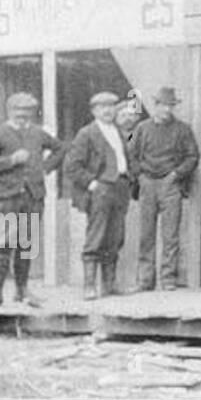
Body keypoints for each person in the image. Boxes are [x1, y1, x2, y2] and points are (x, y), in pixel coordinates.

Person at [0, 92, 65, 308]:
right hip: (5, 198)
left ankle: (22, 291)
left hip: (33, 197)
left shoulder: (38, 133)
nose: (23, 116)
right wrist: (11, 160)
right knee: (3, 246)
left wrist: (45, 168)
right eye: (18, 112)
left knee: (25, 246)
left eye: (27, 112)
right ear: (10, 111)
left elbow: (61, 148)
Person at [64, 91, 135, 300]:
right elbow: (72, 166)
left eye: (111, 106)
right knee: (96, 237)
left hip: (120, 188)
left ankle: (109, 285)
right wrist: (92, 183)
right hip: (101, 189)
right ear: (94, 111)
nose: (108, 111)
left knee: (115, 237)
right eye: (103, 107)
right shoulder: (87, 133)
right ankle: (89, 287)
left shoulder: (118, 132)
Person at [130, 87, 199, 292]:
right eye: (163, 105)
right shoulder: (141, 128)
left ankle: (168, 278)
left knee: (171, 235)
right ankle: (145, 280)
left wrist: (176, 174)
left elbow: (192, 157)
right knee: (146, 235)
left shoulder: (183, 129)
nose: (167, 110)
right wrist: (140, 176)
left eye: (171, 106)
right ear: (156, 106)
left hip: (171, 185)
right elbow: (131, 156)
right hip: (147, 184)